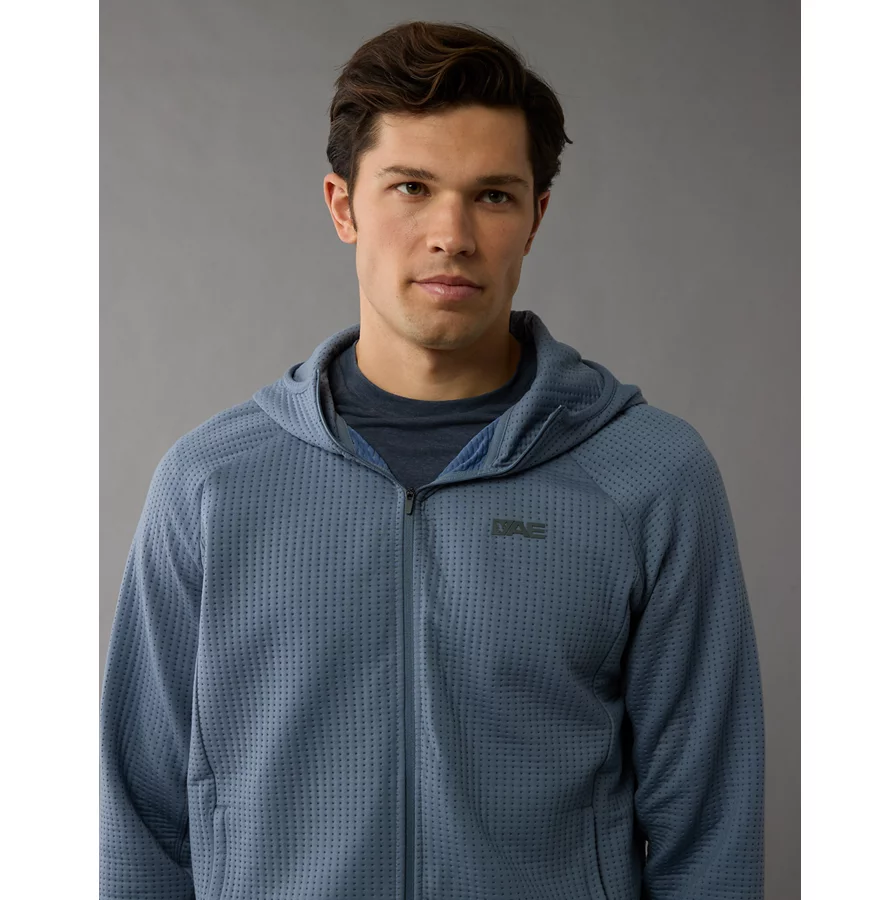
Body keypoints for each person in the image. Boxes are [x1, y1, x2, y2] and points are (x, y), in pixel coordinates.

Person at [100, 19, 765, 900]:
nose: (452, 234)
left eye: (492, 195)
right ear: (343, 206)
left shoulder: (650, 476)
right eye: (411, 187)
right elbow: (141, 821)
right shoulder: (211, 484)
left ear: (536, 217)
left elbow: (709, 831)